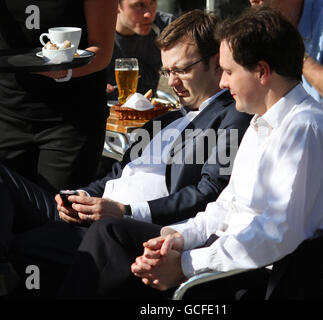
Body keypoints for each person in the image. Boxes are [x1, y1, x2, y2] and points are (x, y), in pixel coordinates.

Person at [57, 6, 323, 300]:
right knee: (116, 247)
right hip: (235, 260)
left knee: (113, 250)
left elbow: (275, 235)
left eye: (229, 71)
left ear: (261, 72)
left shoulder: (305, 128)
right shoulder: (264, 120)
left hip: (274, 278)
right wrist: (173, 238)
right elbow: (226, 206)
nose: (222, 81)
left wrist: (186, 265)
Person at [3, 10, 252, 298]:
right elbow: (118, 174)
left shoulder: (231, 116)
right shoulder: (165, 118)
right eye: (167, 72)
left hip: (136, 229)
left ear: (216, 64)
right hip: (99, 215)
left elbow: (210, 192)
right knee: (17, 222)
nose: (172, 83)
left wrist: (126, 212)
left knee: (37, 247)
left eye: (181, 70)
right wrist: (79, 196)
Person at [0, 0, 117, 194]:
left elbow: (102, 49)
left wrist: (64, 72)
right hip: (6, 114)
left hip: (71, 120)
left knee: (60, 214)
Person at [248, 1, 323, 184]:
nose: (252, 0)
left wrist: (295, 52)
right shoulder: (274, 26)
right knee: (246, 146)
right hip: (311, 132)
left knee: (284, 162)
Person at [106, 0, 175, 100]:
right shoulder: (96, 34)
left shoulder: (167, 27)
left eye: (152, 3)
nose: (149, 14)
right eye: (139, 5)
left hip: (150, 111)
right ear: (115, 5)